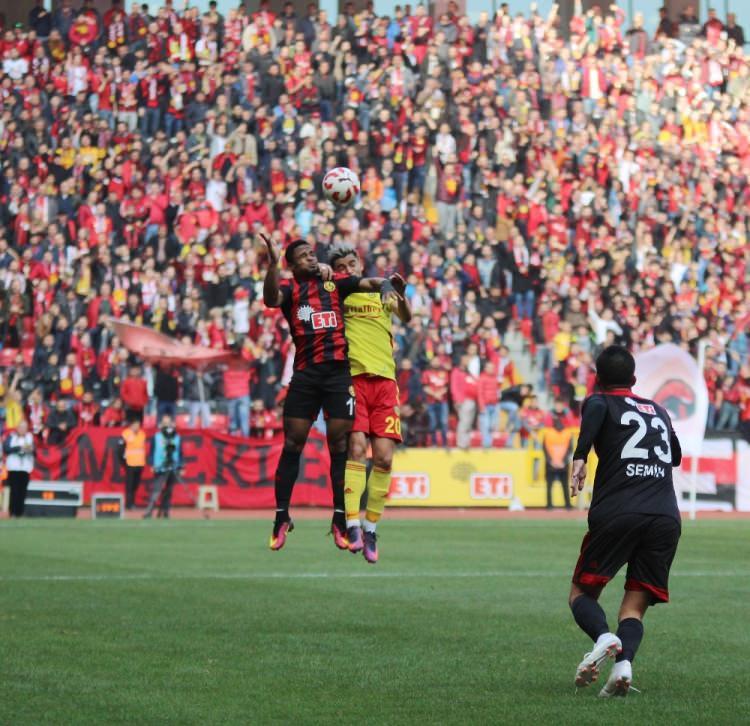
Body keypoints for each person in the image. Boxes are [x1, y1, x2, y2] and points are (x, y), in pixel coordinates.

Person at [260, 233, 396, 551]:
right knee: (292, 443)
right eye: (304, 255)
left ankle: (339, 520)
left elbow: (368, 282)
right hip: (306, 375)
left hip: (338, 376)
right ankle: (281, 517)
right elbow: (270, 300)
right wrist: (272, 266)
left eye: (312, 253)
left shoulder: (334, 282)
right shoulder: (290, 289)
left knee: (339, 445)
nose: (311, 257)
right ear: (292, 265)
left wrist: (387, 284)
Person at [567, 346, 682, 697]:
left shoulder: (599, 401)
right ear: (633, 378)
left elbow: (594, 410)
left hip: (619, 511)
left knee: (581, 594)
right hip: (665, 516)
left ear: (597, 379)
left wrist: (581, 455)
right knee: (633, 607)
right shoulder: (659, 410)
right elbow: (675, 456)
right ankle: (623, 667)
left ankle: (604, 638)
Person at [329, 244, 412, 564]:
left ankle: (371, 528)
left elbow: (405, 316)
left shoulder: (381, 292)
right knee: (356, 449)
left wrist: (399, 293)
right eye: (341, 266)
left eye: (351, 263)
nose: (347, 269)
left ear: (360, 264)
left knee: (385, 458)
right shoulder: (339, 296)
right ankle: (352, 525)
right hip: (353, 381)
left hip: (385, 384)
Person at [143, 414, 182, 518]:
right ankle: (149, 511)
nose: (167, 426)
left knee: (169, 491)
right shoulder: (156, 437)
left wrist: (181, 466)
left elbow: (180, 452)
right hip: (160, 466)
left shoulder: (177, 437)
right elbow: (152, 452)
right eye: (165, 423)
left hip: (173, 466)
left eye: (168, 423)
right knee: (156, 490)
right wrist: (152, 464)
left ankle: (165, 511)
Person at [3, 419, 34, 517]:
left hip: (25, 468)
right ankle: (12, 512)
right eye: (21, 427)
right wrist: (19, 448)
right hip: (14, 468)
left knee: (22, 491)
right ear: (17, 428)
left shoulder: (29, 437)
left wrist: (29, 449)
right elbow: (6, 449)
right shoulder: (11, 437)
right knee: (14, 491)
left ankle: (20, 512)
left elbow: (34, 450)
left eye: (24, 428)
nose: (22, 430)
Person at [542, 415, 573, 509]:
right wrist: (561, 462)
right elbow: (570, 449)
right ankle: (564, 505)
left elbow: (545, 449)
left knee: (557, 485)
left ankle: (555, 505)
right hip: (558, 464)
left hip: (555, 464)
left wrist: (552, 461)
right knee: (556, 485)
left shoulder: (550, 433)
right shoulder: (566, 433)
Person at [120, 417, 146, 509]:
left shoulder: (142, 434)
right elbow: (120, 450)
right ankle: (129, 504)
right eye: (135, 425)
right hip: (130, 463)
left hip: (140, 463)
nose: (137, 427)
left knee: (136, 484)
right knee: (129, 485)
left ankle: (133, 503)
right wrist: (123, 462)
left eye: (138, 425)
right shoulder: (126, 434)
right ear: (131, 425)